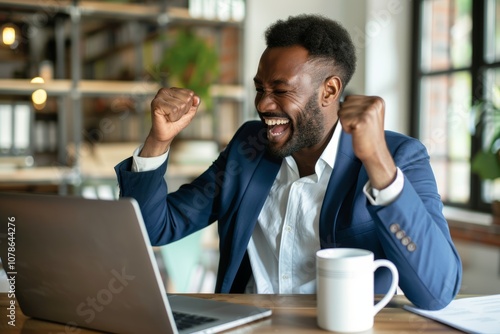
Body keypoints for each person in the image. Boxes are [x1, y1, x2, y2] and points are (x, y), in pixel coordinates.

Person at [115, 14, 462, 310]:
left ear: (329, 91)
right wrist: (159, 140)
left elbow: (437, 292)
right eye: (259, 89)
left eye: (280, 91)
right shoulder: (248, 148)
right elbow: (155, 228)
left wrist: (378, 164)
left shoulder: (399, 157)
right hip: (247, 325)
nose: (264, 105)